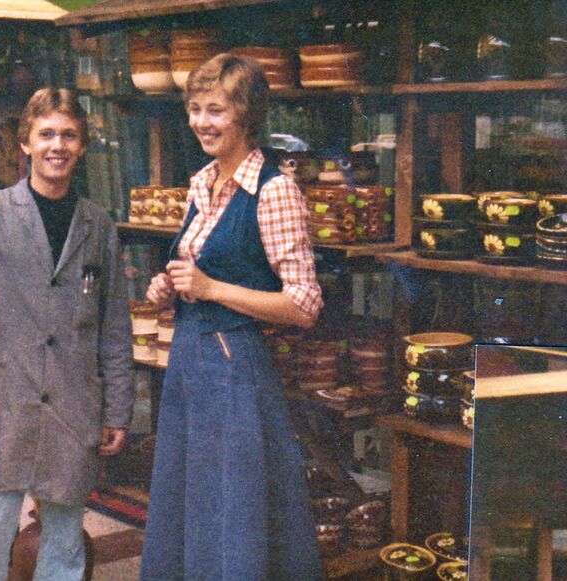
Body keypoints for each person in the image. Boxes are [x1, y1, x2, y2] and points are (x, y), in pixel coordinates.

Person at [139, 53, 325, 580]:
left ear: (246, 115)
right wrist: (169, 288)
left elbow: (304, 305)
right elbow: (200, 272)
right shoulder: (202, 183)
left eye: (215, 110)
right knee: (191, 506)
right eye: (195, 109)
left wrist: (210, 287)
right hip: (189, 364)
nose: (201, 122)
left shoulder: (273, 191)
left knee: (231, 512)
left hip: (233, 371)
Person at [0, 87, 134, 581]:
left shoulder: (97, 224)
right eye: (46, 134)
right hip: (3, 404)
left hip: (74, 406)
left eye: (68, 135)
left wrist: (116, 408)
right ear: (25, 143)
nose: (57, 146)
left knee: (65, 545)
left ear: (82, 146)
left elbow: (114, 326)